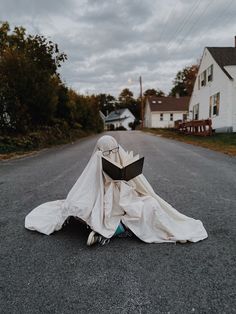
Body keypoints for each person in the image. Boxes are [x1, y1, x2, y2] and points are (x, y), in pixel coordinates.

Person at [25, 135, 208, 245]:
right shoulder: (97, 161)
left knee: (150, 204)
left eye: (112, 150)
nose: (110, 153)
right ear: (99, 150)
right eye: (106, 151)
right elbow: (87, 189)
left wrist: (125, 179)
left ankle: (110, 230)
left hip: (125, 196)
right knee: (82, 207)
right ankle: (109, 230)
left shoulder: (119, 154)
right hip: (106, 199)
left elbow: (139, 186)